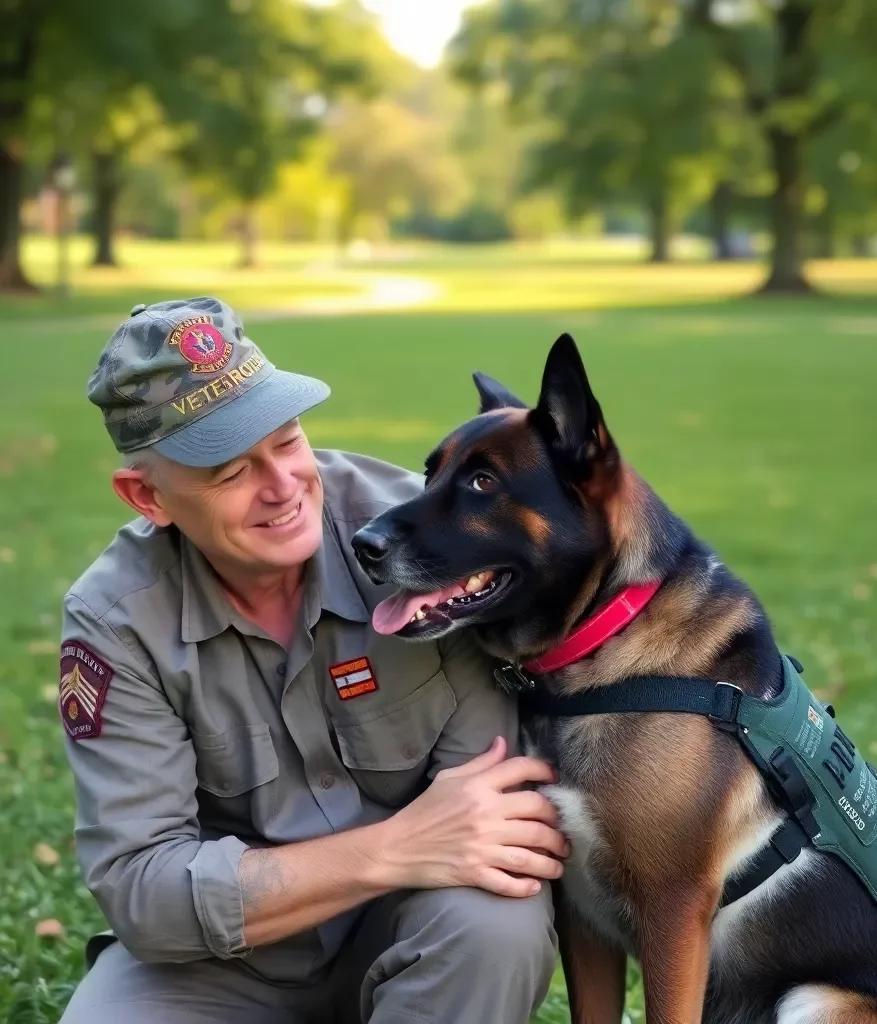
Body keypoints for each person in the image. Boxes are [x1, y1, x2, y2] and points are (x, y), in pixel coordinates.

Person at [57, 297, 565, 1024]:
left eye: (287, 440)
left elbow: (490, 813)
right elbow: (145, 894)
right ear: (148, 496)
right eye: (231, 473)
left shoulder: (422, 542)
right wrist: (389, 849)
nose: (282, 487)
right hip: (224, 961)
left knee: (495, 923)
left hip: (416, 921)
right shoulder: (116, 621)